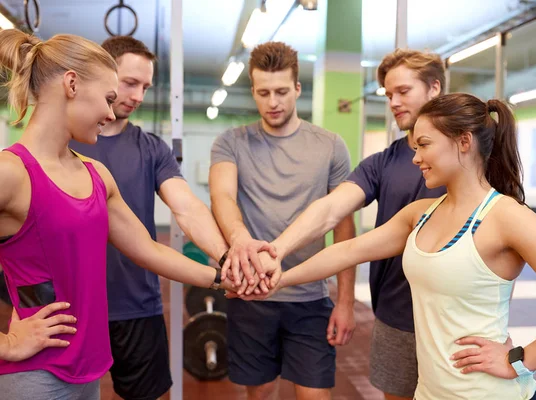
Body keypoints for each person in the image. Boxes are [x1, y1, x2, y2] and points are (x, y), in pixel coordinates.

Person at [250, 93, 536, 400]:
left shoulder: (508, 217)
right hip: (430, 393)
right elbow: (347, 251)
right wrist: (276, 278)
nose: (416, 157)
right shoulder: (420, 214)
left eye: (425, 144)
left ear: (464, 142)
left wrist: (520, 359)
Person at [0, 30, 236, 400]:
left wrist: (225, 278)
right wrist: (6, 343)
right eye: (109, 98)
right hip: (38, 374)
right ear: (72, 84)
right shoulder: (10, 173)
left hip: (87, 371)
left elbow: (149, 249)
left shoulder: (95, 174)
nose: (112, 113)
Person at [226, 49, 447, 400]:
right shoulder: (382, 163)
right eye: (388, 94)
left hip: (453, 318)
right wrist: (277, 253)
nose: (393, 102)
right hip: (396, 315)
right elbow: (331, 211)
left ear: (434, 88)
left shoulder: (472, 155)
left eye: (403, 91)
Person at [69, 36, 255, 400]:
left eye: (145, 87)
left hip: (137, 302)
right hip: (71, 306)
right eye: (130, 83)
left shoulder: (151, 149)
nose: (138, 96)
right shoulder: (66, 142)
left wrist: (226, 256)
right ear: (103, 73)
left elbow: (186, 207)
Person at [209, 41, 356, 400]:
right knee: (260, 394)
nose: (272, 102)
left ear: (297, 89)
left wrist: (346, 301)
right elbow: (222, 197)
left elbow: (344, 227)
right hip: (251, 296)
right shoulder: (231, 142)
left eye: (281, 92)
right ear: (253, 92)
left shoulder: (331, 146)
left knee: (315, 396)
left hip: (309, 298)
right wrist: (240, 238)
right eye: (263, 93)